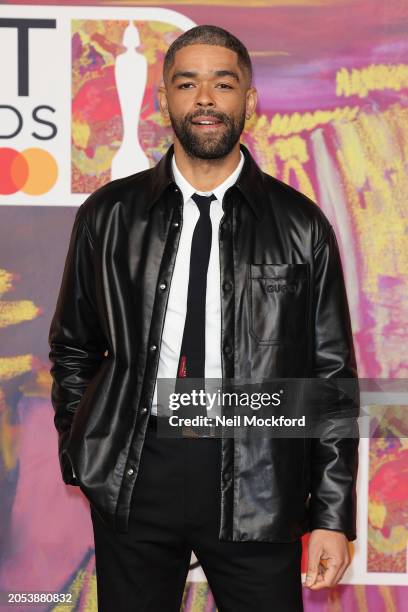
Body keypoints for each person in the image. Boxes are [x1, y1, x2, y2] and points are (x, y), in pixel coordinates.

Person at [48, 24, 359, 612]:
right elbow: (73, 348)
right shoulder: (110, 216)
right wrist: (82, 449)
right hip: (136, 475)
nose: (206, 99)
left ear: (250, 101)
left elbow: (330, 378)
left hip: (260, 480)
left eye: (224, 83)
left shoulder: (300, 225)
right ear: (164, 99)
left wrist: (332, 515)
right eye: (187, 84)